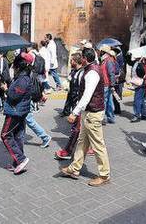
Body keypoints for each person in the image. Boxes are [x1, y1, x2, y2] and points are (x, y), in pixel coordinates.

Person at [60, 47, 111, 187]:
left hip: (93, 113)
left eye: (81, 56)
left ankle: (104, 175)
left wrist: (74, 112)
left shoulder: (92, 72)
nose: (79, 59)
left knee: (98, 145)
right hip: (89, 112)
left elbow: (86, 96)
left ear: (84, 58)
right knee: (82, 141)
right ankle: (74, 169)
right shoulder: (90, 69)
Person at [0, 55, 34, 174]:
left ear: (19, 65)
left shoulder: (23, 79)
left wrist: (6, 89)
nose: (13, 67)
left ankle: (21, 159)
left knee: (5, 135)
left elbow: (14, 96)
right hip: (19, 111)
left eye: (15, 64)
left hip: (15, 111)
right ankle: (17, 161)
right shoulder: (21, 77)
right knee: (17, 136)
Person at [56, 52, 87, 160]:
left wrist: (76, 109)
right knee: (83, 129)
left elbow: (82, 92)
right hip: (75, 103)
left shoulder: (82, 73)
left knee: (76, 129)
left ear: (76, 61)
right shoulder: (74, 72)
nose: (70, 62)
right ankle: (89, 147)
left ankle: (68, 151)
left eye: (71, 60)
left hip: (79, 105)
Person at [99, 45, 118, 124]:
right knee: (109, 101)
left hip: (106, 84)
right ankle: (111, 117)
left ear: (104, 52)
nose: (100, 52)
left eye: (101, 51)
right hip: (106, 84)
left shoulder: (108, 60)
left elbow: (111, 73)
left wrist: (112, 84)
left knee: (104, 101)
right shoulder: (104, 60)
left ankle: (103, 118)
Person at [130, 57, 146, 122]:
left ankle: (137, 116)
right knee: (141, 100)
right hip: (139, 83)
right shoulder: (137, 63)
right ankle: (144, 115)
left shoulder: (141, 63)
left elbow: (142, 73)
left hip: (140, 84)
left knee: (137, 100)